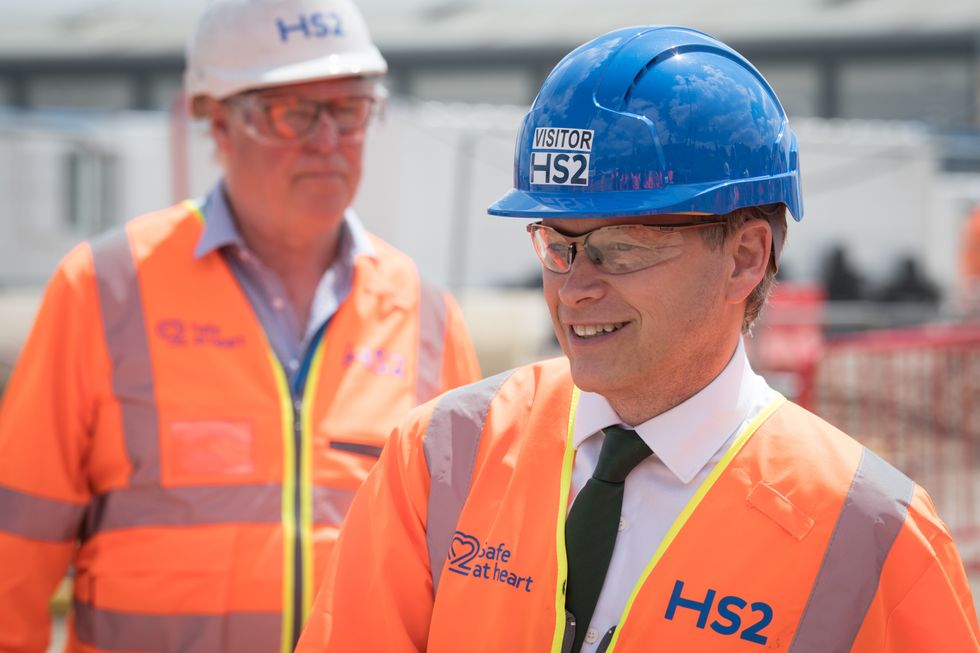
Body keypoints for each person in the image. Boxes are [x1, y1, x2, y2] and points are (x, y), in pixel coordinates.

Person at [296, 25, 980, 652]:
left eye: (619, 248)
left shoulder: (873, 536)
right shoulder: (443, 456)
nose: (574, 289)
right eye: (556, 246)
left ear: (744, 256)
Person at [0, 1, 481, 651]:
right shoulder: (105, 287)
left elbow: (470, 567)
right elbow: (14, 547)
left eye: (349, 109)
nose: (327, 139)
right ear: (217, 121)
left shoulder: (426, 313)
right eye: (293, 112)